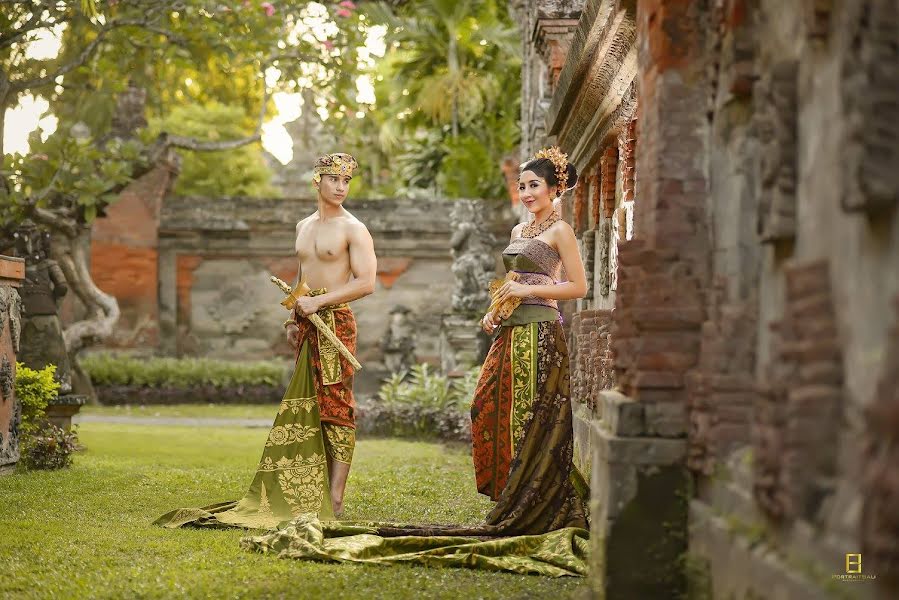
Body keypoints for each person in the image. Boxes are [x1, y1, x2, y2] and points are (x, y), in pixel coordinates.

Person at [238, 147, 590, 577]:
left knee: (534, 417)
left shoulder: (562, 232)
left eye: (535, 185)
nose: (527, 192)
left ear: (556, 188)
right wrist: (496, 306)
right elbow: (514, 278)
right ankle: (513, 495)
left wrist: (525, 295)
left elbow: (578, 287)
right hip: (509, 332)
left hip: (542, 336)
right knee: (488, 407)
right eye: (523, 185)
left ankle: (539, 498)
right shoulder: (521, 228)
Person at [155, 152, 376, 529]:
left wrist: (318, 302)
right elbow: (303, 275)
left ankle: (335, 498)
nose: (341, 187)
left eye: (346, 181)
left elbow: (366, 282)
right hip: (307, 323)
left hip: (335, 324)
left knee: (336, 405)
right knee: (309, 404)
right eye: (334, 179)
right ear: (317, 181)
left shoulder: (354, 228)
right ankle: (312, 489)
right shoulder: (303, 226)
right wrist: (294, 313)